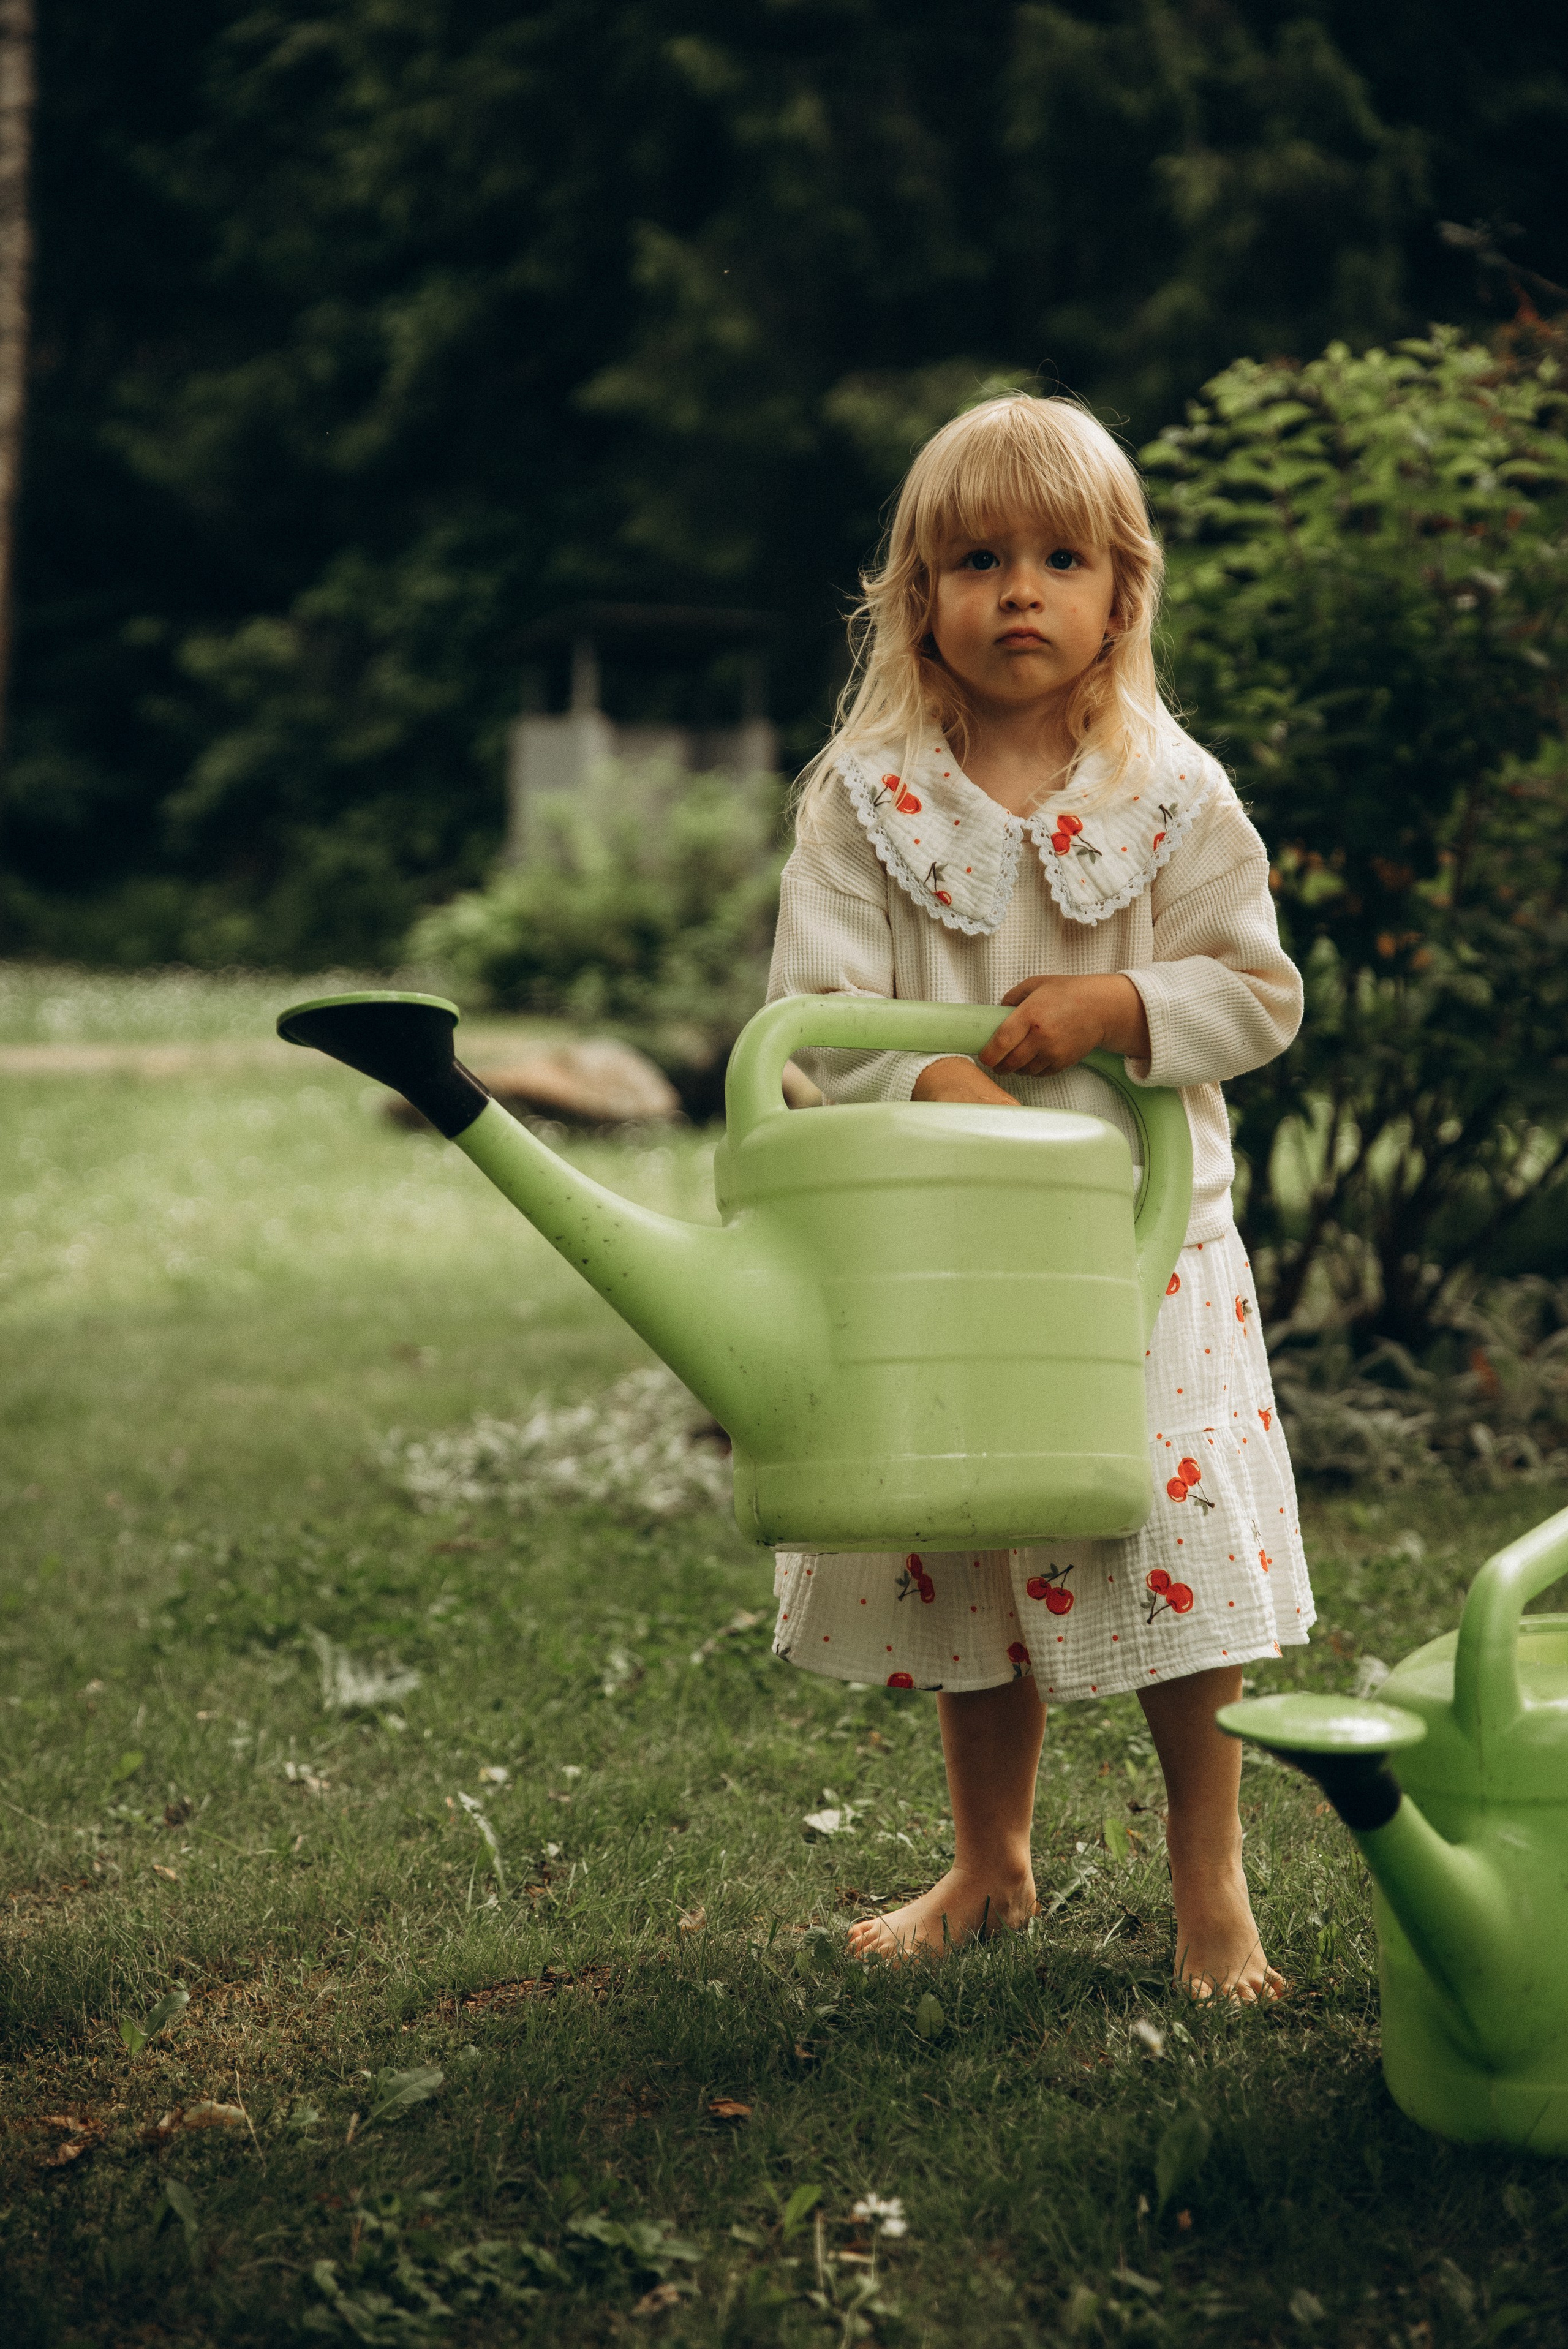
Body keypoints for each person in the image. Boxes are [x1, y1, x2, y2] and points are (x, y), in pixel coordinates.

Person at [767, 392, 1311, 2000]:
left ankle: (1210, 1883)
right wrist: (934, 1082)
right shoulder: (865, 796)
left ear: (1122, 594)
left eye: (1062, 560)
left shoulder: (1173, 789)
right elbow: (816, 1023)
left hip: (1149, 1246)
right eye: (979, 560)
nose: (1020, 591)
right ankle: (990, 1862)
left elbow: (1259, 993)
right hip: (952, 1247)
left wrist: (1122, 1005)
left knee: (1168, 1542)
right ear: (916, 595)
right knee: (980, 1541)